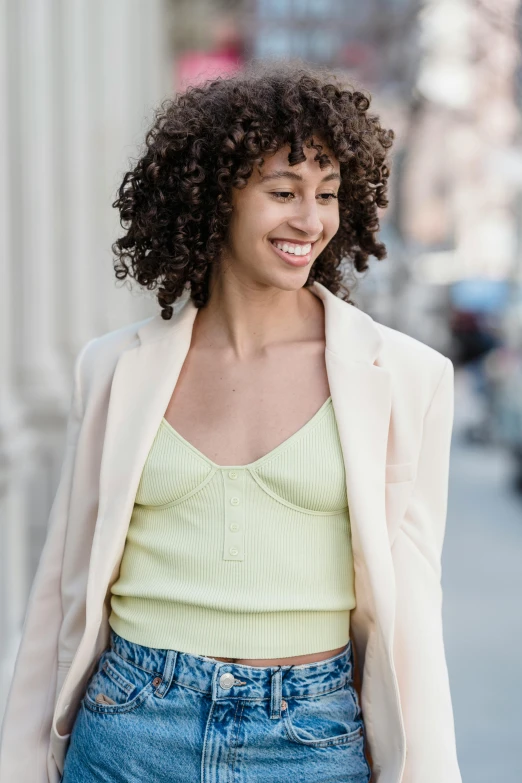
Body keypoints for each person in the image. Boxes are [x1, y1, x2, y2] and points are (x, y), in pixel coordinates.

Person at [0, 59, 462, 783]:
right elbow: (61, 584)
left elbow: (414, 620)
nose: (310, 221)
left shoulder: (406, 377)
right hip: (130, 727)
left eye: (329, 194)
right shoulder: (116, 367)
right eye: (283, 192)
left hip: (309, 738)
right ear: (217, 198)